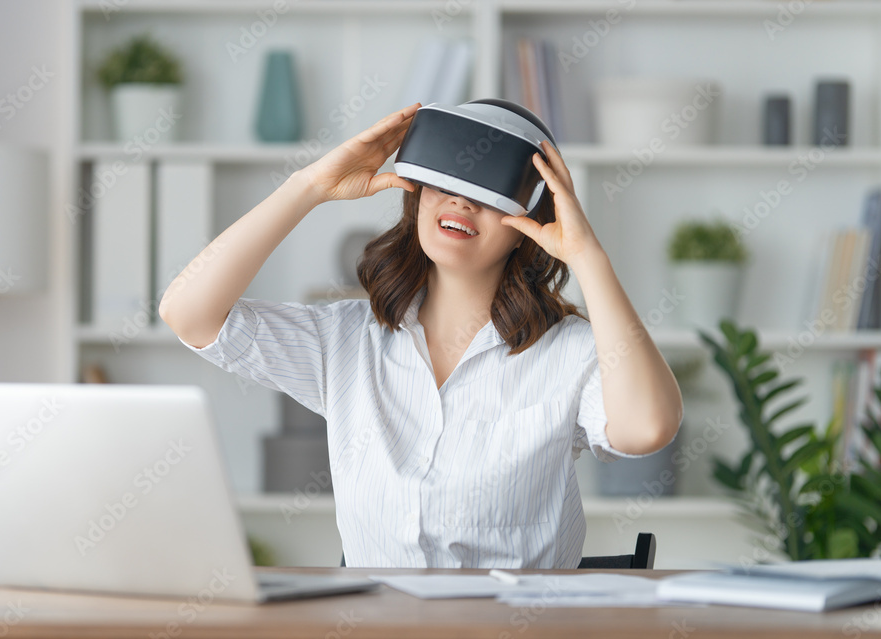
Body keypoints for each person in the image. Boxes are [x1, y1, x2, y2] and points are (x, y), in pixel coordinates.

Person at [159, 102, 683, 568]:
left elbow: (647, 428)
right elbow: (190, 315)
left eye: (489, 193)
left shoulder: (568, 351)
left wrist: (587, 258)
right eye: (445, 183)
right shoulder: (346, 340)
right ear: (417, 195)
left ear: (533, 217)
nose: (462, 203)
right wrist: (310, 187)